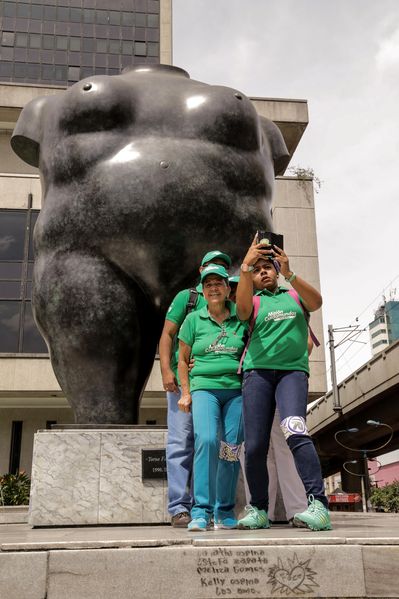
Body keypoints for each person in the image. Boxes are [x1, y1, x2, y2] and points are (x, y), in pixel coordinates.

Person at [236, 239, 331, 531]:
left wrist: (290, 273)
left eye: (269, 268)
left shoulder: (294, 296)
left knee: (294, 429)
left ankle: (318, 506)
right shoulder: (253, 300)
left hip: (292, 374)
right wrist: (243, 267)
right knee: (254, 447)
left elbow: (317, 302)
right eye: (258, 270)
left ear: (277, 271)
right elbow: (239, 313)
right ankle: (259, 510)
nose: (263, 272)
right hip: (257, 375)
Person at [159, 251, 232, 527]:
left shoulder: (231, 298)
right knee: (180, 442)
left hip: (215, 387)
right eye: (212, 267)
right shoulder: (187, 298)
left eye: (223, 269)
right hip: (183, 383)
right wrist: (166, 370)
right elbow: (167, 334)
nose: (217, 273)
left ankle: (213, 508)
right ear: (201, 270)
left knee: (215, 443)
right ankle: (180, 507)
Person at [177, 264, 246, 531]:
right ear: (203, 292)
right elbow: (183, 360)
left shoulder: (240, 318)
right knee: (206, 441)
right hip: (204, 388)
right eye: (208, 284)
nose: (214, 288)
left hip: (236, 391)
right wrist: (185, 392)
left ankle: (224, 509)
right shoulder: (193, 320)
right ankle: (201, 511)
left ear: (228, 289)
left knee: (230, 448)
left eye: (219, 283)